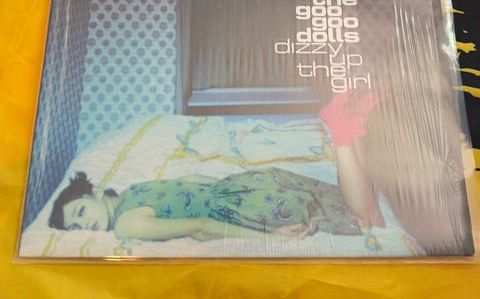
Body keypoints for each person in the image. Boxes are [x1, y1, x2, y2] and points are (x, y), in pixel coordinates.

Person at [48, 96, 384, 243]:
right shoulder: (134, 191)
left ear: (95, 192)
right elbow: (190, 182)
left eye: (80, 212)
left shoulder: (125, 223)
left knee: (368, 221)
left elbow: (201, 226)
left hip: (248, 203)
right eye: (75, 228)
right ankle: (350, 129)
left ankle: (342, 130)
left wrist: (269, 238)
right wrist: (243, 184)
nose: (84, 226)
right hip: (248, 185)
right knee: (360, 206)